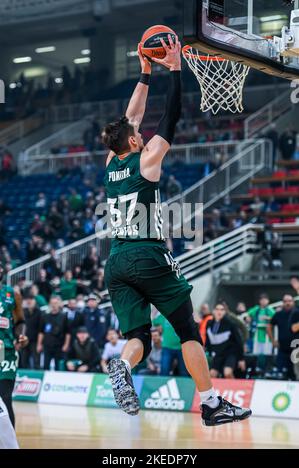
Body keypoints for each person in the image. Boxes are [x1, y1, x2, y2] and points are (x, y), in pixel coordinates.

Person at [102, 36, 251, 425]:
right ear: (135, 142)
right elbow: (172, 116)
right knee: (186, 328)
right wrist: (175, 69)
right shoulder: (147, 161)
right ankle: (212, 402)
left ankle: (122, 365)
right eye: (138, 133)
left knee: (138, 337)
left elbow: (130, 119)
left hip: (115, 261)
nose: (142, 132)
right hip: (146, 254)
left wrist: (144, 72)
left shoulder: (111, 162)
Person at [0, 262, 28, 428]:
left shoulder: (12, 294)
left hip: (6, 350)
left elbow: (20, 321)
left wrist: (21, 336)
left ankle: (9, 443)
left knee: (4, 396)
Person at [205, 303, 246, 379]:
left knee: (227, 373)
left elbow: (239, 341)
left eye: (222, 310)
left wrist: (241, 359)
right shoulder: (209, 324)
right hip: (218, 354)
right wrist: (209, 352)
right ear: (213, 311)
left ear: (225, 312)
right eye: (217, 309)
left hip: (230, 354)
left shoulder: (231, 324)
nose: (219, 312)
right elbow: (208, 340)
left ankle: (234, 389)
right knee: (212, 374)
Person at [267, 294, 299, 379]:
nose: (287, 303)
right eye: (285, 301)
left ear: (293, 302)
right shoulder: (278, 314)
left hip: (296, 348)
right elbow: (269, 326)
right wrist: (273, 340)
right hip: (282, 348)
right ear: (282, 303)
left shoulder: (297, 312)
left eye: (289, 301)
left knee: (295, 374)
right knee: (280, 372)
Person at [37, 296, 71, 370]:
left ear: (59, 304)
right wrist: (39, 344)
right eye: (52, 303)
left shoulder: (64, 316)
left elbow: (68, 333)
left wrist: (66, 344)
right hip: (47, 345)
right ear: (49, 304)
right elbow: (41, 332)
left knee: (57, 366)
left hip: (59, 345)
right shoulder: (45, 316)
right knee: (45, 365)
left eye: (55, 303)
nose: (54, 305)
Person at [152, 310, 188, 376]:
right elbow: (153, 322)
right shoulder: (164, 316)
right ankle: (163, 385)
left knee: (184, 372)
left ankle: (185, 386)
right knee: (164, 371)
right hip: (167, 347)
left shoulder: (183, 315)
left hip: (182, 348)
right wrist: (155, 310)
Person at [20, 295, 42, 369]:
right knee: (24, 360)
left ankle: (37, 378)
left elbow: (41, 330)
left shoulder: (39, 313)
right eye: (28, 300)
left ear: (35, 301)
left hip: (35, 341)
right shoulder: (24, 312)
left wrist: (39, 343)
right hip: (25, 340)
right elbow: (21, 327)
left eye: (31, 300)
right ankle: (24, 378)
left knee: (36, 361)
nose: (29, 301)